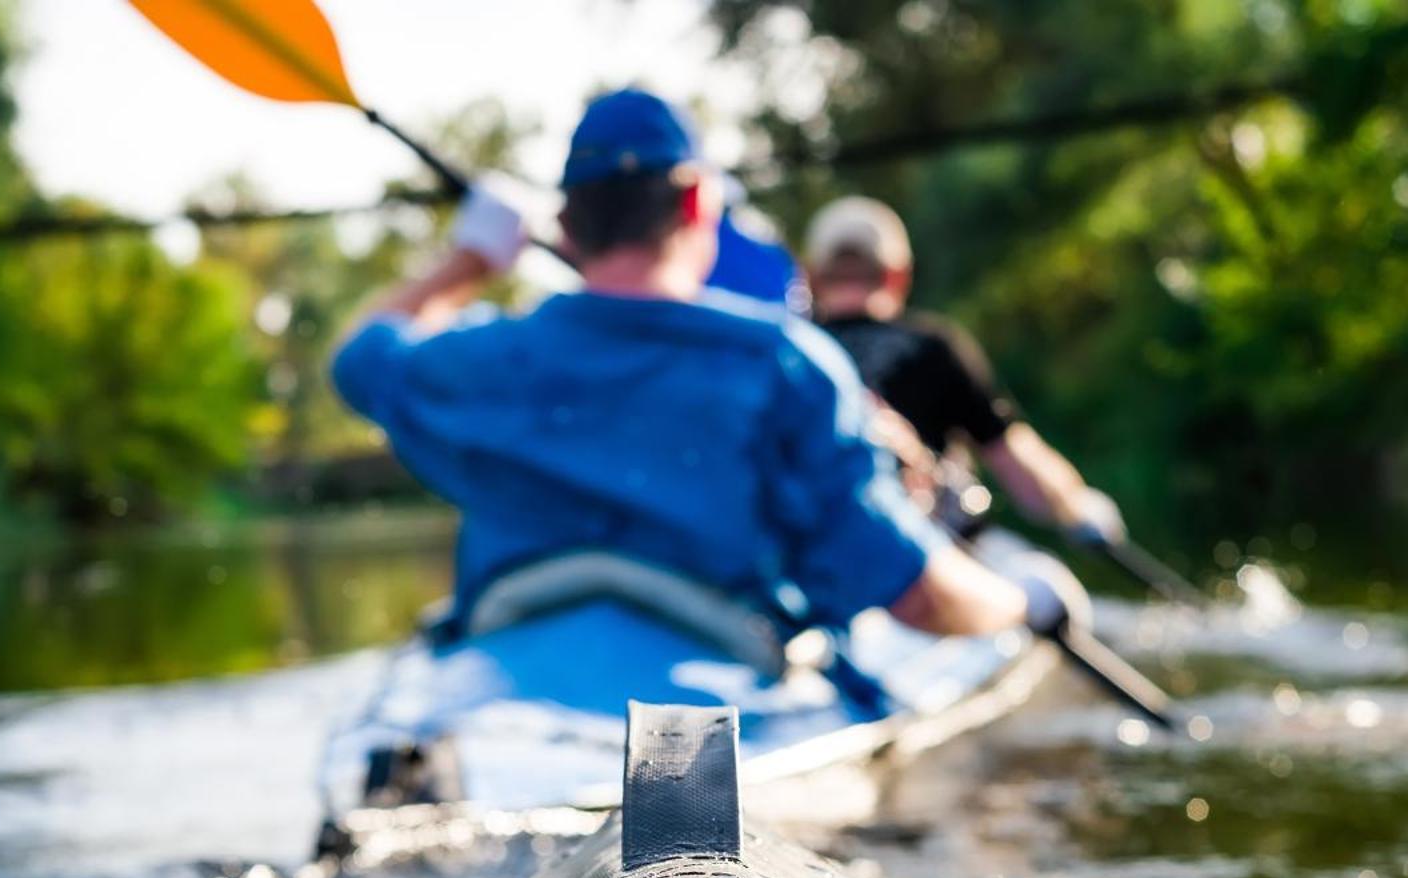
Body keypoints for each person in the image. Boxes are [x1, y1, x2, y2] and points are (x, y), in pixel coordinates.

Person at [330, 89, 1061, 644]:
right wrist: (1022, 600)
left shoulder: (484, 357)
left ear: (567, 226)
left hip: (511, 660)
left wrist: (469, 263)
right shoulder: (789, 367)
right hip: (722, 678)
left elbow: (361, 357)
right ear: (693, 201)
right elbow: (917, 598)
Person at [804, 196, 1127, 548]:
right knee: (1048, 593)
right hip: (929, 558)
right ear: (898, 276)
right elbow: (1018, 466)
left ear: (814, 277)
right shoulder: (933, 345)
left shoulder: (785, 356)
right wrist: (1077, 506)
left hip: (809, 568)